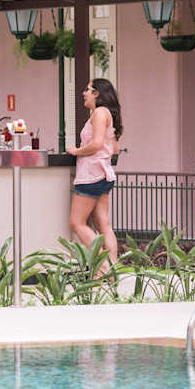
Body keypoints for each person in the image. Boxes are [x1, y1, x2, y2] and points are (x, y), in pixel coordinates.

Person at [66, 78, 122, 273]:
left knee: (76, 222)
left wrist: (75, 151)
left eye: (88, 89)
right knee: (103, 224)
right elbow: (114, 147)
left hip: (90, 176)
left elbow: (97, 144)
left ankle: (102, 267)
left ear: (97, 93)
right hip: (104, 174)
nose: (84, 93)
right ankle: (113, 270)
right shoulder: (108, 114)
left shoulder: (98, 113)